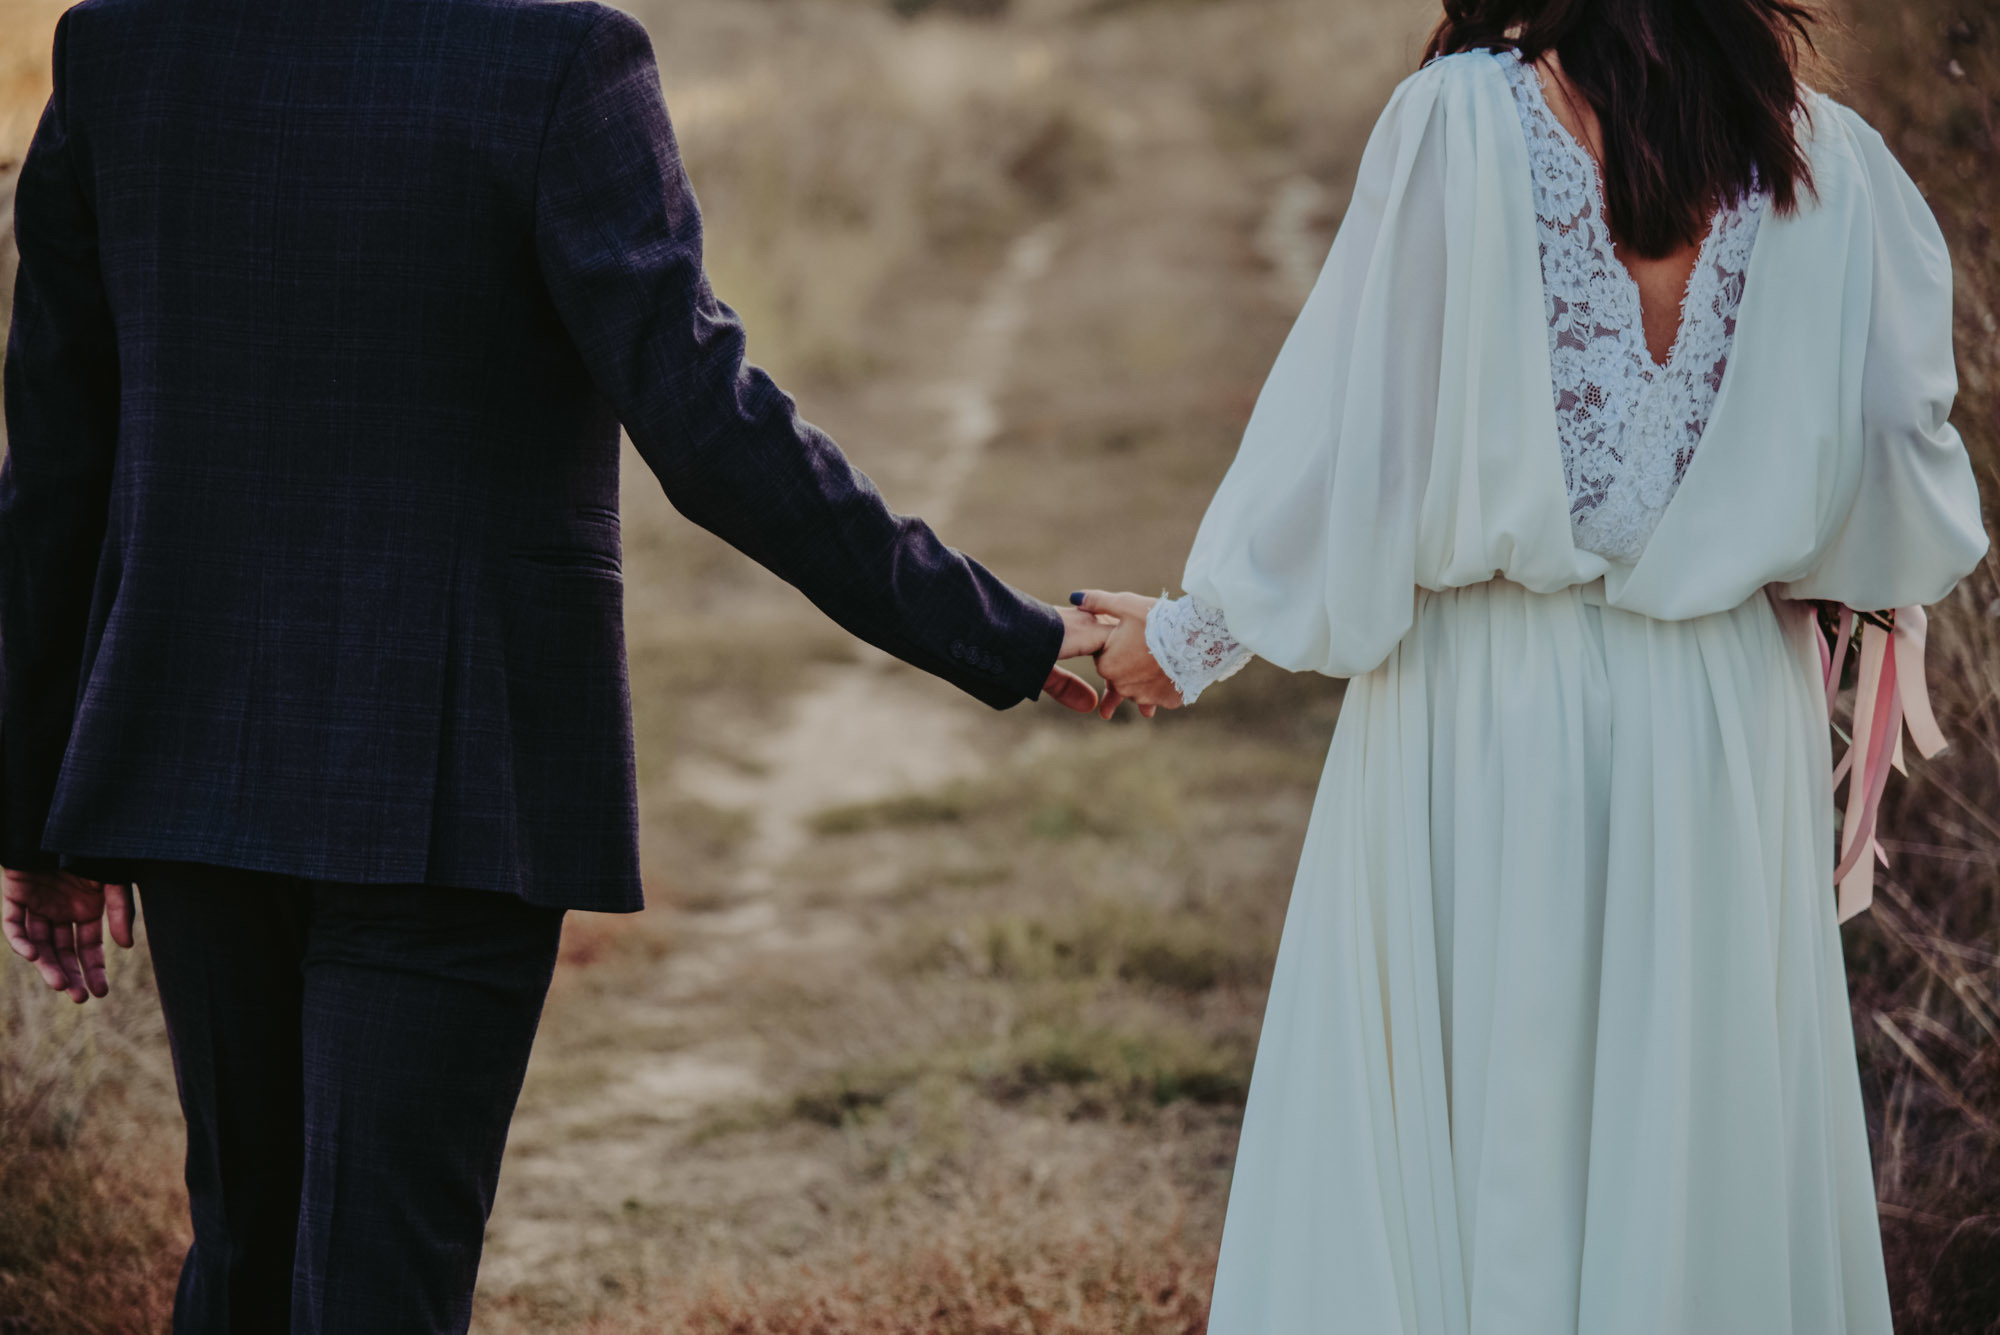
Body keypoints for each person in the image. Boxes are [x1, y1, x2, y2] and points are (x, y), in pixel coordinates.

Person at [0, 0, 1112, 1329]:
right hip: (453, 782)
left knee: (244, 1252)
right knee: (377, 1282)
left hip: (186, 760)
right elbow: (711, 429)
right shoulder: (556, 59)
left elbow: (55, 457)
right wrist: (1013, 632)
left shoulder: (126, 46)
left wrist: (36, 805)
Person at [1085, 0, 1989, 1329]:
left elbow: (1356, 445)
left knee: (1476, 1169)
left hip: (1482, 714)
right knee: (1690, 1165)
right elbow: (1903, 499)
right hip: (1718, 723)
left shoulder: (1457, 122)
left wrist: (1187, 639)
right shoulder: (1837, 166)